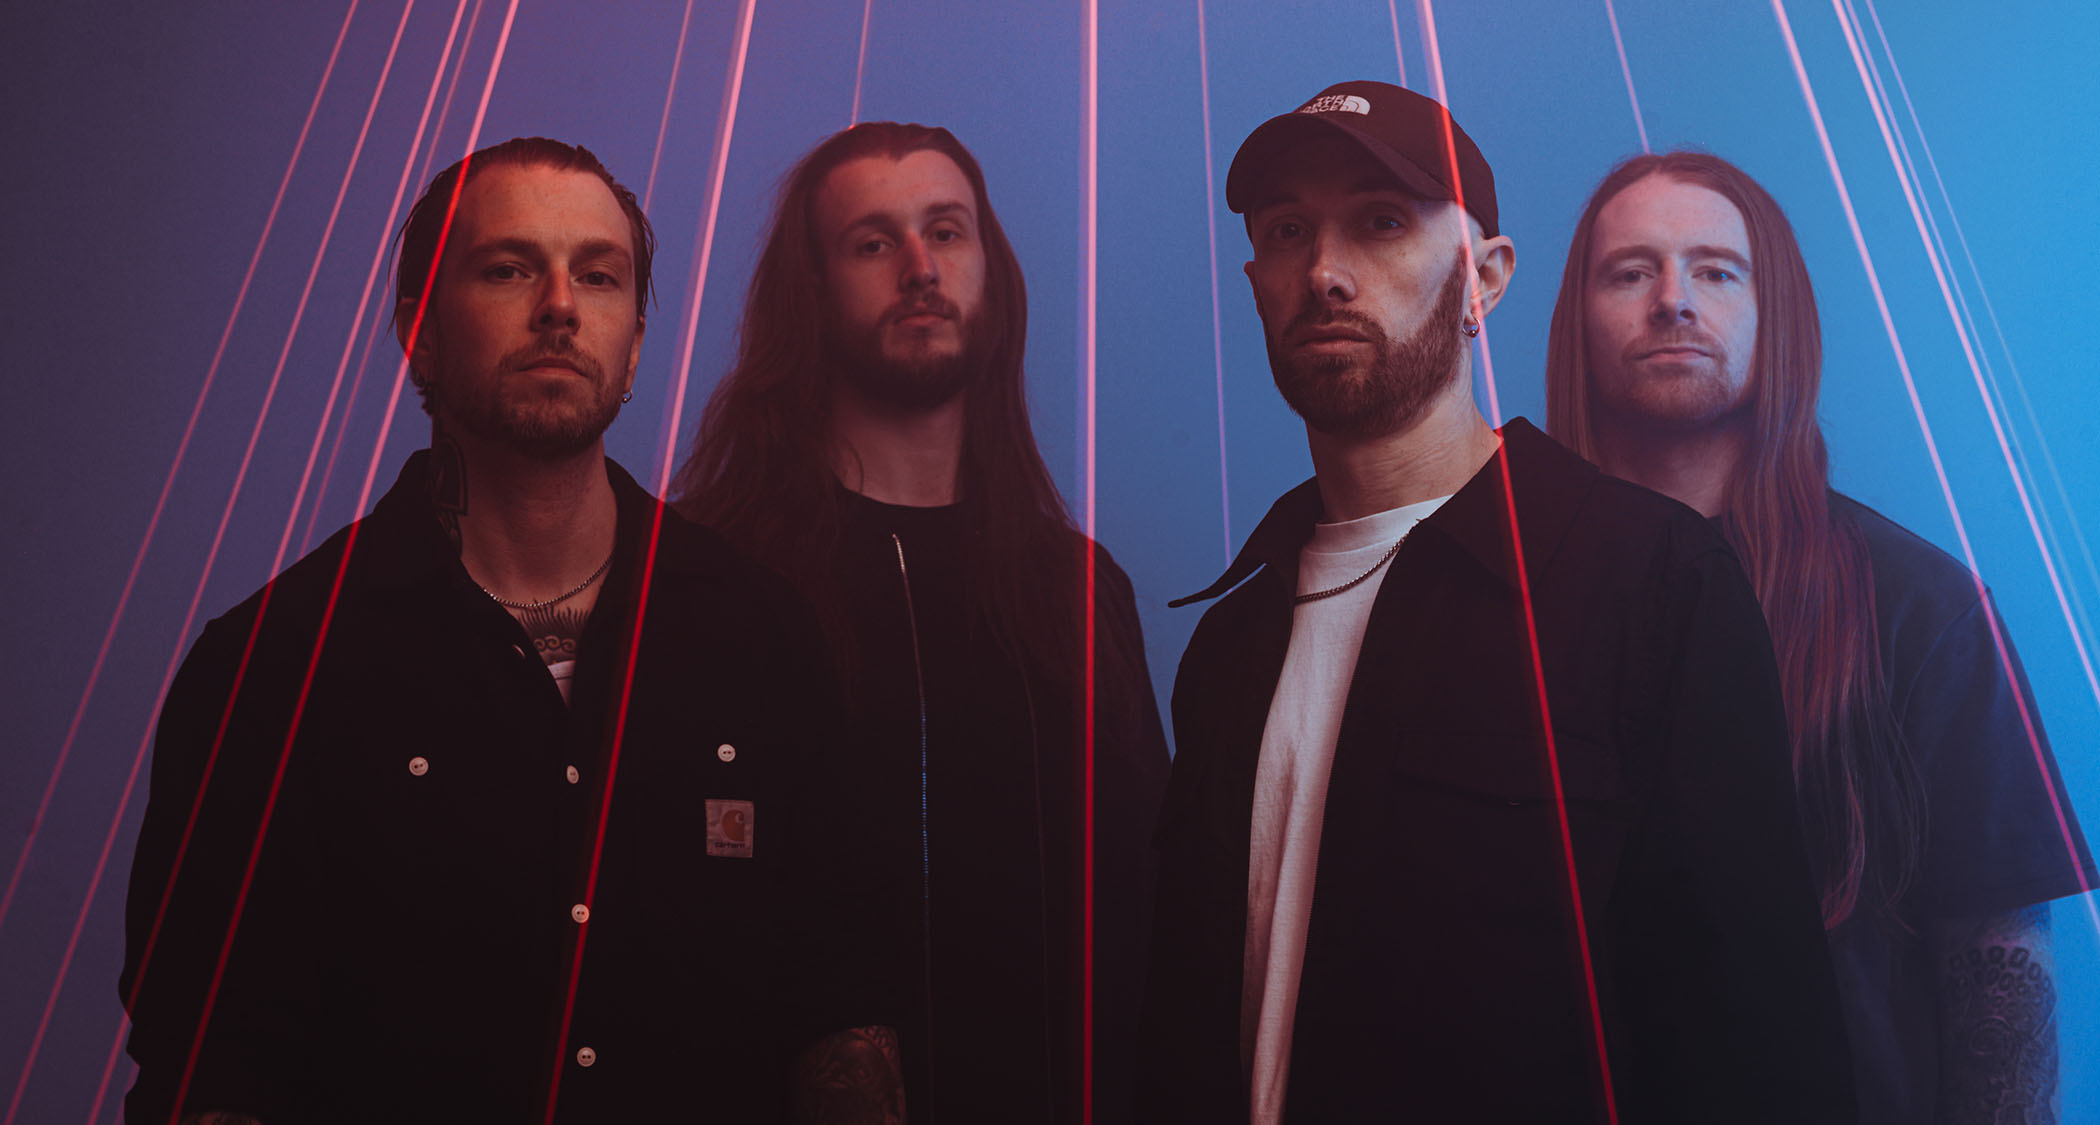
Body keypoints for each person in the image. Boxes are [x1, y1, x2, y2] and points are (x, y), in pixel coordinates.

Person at [118, 137, 899, 1124]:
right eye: (509, 268)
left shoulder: (767, 640)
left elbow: (840, 1013)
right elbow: (211, 1065)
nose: (562, 306)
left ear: (637, 340)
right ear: (421, 334)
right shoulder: (271, 669)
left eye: (600, 276)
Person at [1137, 81, 1856, 1122]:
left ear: (1486, 279)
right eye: (1290, 231)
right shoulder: (1230, 643)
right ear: (1255, 282)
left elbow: (1763, 1050)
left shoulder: (1655, 585)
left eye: (1382, 223)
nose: (1327, 273)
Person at [1543, 150, 2096, 1125]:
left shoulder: (1924, 608)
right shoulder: (1496, 597)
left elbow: (1999, 975)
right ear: (1574, 322)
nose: (1673, 301)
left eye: (1717, 270)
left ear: (1778, 316)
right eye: (1630, 271)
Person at [672, 121, 1171, 1125]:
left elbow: (1157, 913)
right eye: (871, 242)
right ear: (811, 292)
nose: (918, 267)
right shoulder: (703, 581)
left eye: (947, 231)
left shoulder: (1079, 588)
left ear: (992, 270)